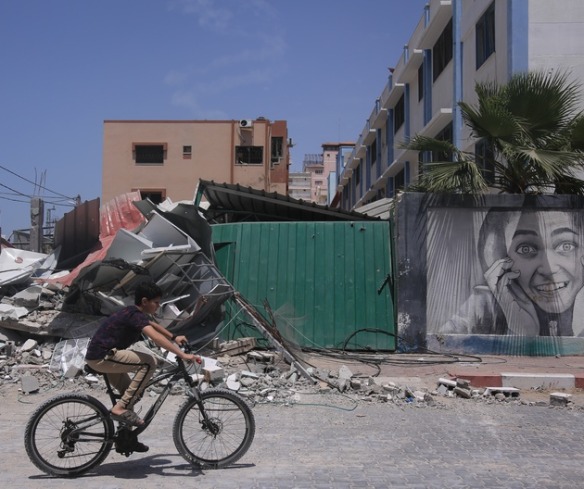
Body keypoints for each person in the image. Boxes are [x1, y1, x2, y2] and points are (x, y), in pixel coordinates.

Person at [85, 281, 200, 441]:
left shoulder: (134, 313)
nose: (158, 306)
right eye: (156, 302)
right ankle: (119, 409)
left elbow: (153, 326)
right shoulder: (134, 315)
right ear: (145, 301)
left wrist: (174, 337)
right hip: (103, 356)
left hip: (99, 356)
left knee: (130, 394)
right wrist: (182, 355)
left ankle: (126, 440)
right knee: (149, 362)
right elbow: (156, 337)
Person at [440, 208, 584, 336]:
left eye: (566, 246)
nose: (548, 269)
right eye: (525, 249)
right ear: (501, 262)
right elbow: (437, 347)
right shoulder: (485, 305)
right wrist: (520, 329)